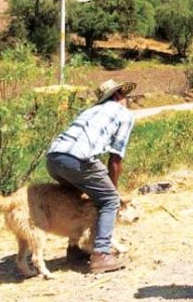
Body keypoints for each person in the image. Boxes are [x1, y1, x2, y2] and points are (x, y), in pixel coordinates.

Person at [46, 78, 137, 274]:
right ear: (118, 95)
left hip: (53, 158)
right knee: (109, 200)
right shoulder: (124, 114)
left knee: (79, 200)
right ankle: (101, 254)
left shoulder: (89, 111)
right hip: (77, 158)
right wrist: (113, 192)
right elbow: (115, 159)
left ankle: (75, 249)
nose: (127, 99)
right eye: (124, 94)